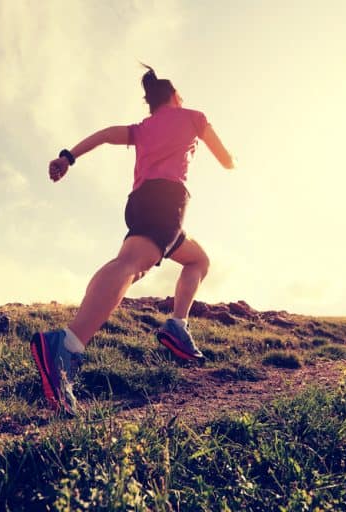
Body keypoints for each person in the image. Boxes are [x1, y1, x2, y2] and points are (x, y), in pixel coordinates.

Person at [30, 64, 235, 415]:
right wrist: (230, 159)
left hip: (142, 202)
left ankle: (177, 326)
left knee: (196, 260)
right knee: (130, 264)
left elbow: (108, 134)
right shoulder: (193, 117)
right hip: (168, 200)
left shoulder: (143, 128)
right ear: (173, 96)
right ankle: (66, 344)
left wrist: (68, 158)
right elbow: (227, 160)